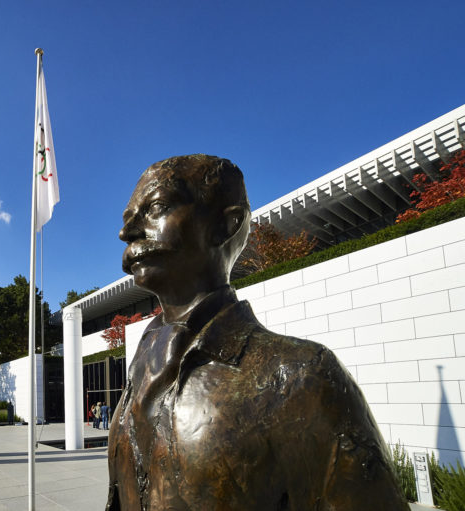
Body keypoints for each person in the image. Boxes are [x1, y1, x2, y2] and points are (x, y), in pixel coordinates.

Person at [106, 154, 406, 510]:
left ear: (227, 224)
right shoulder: (138, 372)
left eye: (156, 207)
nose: (127, 232)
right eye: (128, 219)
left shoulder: (301, 377)